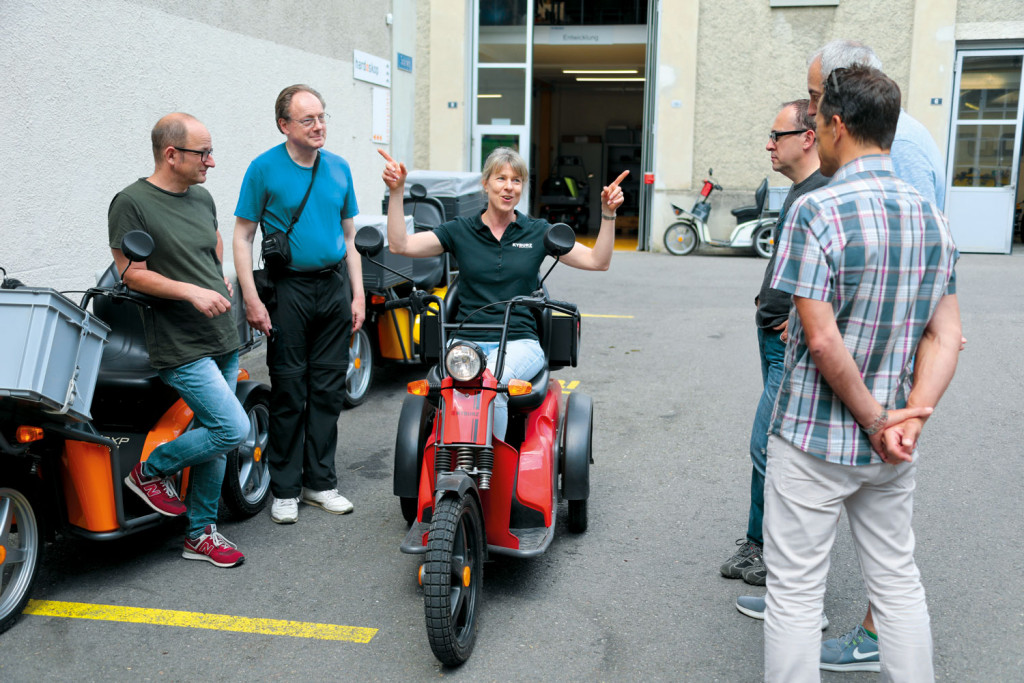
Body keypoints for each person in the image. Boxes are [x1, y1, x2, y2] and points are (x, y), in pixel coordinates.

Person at [737, 40, 951, 674]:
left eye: (814, 112)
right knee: (897, 583)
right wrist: (910, 416)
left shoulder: (819, 208)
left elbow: (821, 339)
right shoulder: (930, 217)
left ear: (835, 125)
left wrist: (872, 419)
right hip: (894, 441)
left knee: (797, 596)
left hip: (815, 436)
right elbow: (947, 334)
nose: (808, 123)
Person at [379, 146, 627, 440]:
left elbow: (599, 261)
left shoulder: (537, 232)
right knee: (454, 389)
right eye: (501, 178)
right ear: (485, 184)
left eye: (517, 180)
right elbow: (400, 245)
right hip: (466, 339)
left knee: (490, 385)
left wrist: (608, 215)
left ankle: (487, 469)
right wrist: (396, 193)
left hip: (520, 340)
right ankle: (453, 458)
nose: (509, 187)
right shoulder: (460, 230)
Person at [110, 113, 249, 568]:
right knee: (233, 428)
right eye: (203, 153)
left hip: (221, 334)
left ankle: (200, 534)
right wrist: (191, 290)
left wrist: (220, 277)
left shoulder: (202, 197)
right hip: (179, 342)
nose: (212, 161)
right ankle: (149, 472)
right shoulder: (131, 203)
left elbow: (211, 243)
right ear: (171, 154)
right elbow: (130, 272)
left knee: (217, 434)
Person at [233, 84, 365, 525]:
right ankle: (285, 487)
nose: (319, 126)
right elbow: (242, 235)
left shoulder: (340, 169)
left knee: (328, 391)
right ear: (284, 125)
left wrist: (358, 294)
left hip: (333, 289)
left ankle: (320, 483)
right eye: (307, 119)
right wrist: (251, 298)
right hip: (286, 290)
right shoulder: (263, 169)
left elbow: (349, 239)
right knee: (290, 390)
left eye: (322, 117)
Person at [721, 99, 828, 586]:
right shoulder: (800, 191)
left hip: (790, 343)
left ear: (807, 138)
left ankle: (776, 556)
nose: (769, 143)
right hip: (772, 335)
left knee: (770, 447)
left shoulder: (822, 193)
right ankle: (758, 543)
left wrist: (803, 320)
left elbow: (844, 273)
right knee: (771, 447)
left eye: (776, 135)